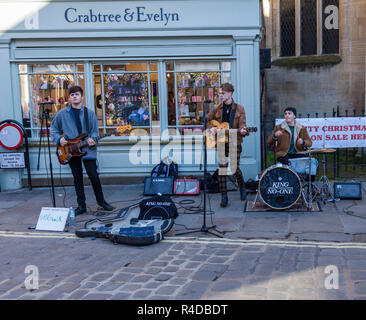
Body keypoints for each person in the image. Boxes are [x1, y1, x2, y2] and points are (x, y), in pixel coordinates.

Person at [50, 86, 114, 215]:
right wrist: (59, 140)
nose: (74, 96)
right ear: (69, 98)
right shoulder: (62, 114)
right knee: (77, 178)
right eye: (72, 95)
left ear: (82, 97)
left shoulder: (89, 113)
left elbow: (95, 131)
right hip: (70, 150)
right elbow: (53, 129)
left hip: (87, 149)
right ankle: (81, 205)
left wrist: (92, 139)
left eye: (77, 94)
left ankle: (101, 202)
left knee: (94, 176)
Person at [207, 82, 249, 208]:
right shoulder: (217, 108)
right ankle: (224, 196)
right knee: (222, 169)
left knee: (234, 168)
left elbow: (242, 124)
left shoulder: (239, 108)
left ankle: (242, 186)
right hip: (220, 141)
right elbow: (207, 119)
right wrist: (212, 128)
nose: (220, 95)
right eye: (219, 93)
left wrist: (243, 130)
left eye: (223, 93)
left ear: (230, 93)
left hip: (234, 141)